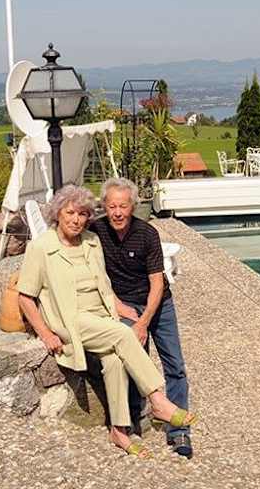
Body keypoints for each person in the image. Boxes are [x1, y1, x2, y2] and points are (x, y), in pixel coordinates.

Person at [17, 185, 196, 458]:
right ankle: (158, 400)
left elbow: (104, 285)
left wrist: (122, 308)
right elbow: (25, 297)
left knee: (114, 361)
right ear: (58, 214)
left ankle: (119, 431)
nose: (76, 219)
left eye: (82, 214)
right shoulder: (42, 247)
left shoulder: (91, 240)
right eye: (70, 213)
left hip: (101, 316)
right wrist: (45, 333)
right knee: (124, 335)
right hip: (72, 320)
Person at [90, 177, 194, 458]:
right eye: (111, 206)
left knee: (174, 364)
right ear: (104, 206)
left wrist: (143, 322)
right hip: (124, 305)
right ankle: (136, 418)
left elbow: (158, 284)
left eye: (123, 206)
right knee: (135, 362)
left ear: (133, 206)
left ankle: (179, 431)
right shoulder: (96, 231)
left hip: (157, 304)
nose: (118, 212)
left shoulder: (147, 234)